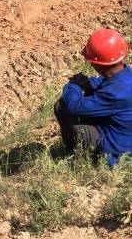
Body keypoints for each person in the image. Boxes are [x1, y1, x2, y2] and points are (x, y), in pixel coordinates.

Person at [55, 28, 132, 166]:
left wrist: (72, 86)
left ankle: (77, 157)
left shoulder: (114, 94)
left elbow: (73, 106)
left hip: (116, 154)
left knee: (62, 106)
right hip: (126, 137)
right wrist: (87, 83)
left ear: (97, 64)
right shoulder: (126, 76)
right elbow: (103, 82)